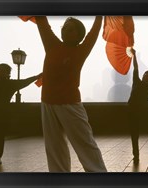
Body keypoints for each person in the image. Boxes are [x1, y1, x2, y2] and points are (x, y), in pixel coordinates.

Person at [35, 16, 107, 172]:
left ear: (79, 35)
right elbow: (42, 22)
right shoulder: (51, 44)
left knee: (85, 144)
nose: (65, 31)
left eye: (70, 29)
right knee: (54, 148)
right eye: (64, 28)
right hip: (47, 103)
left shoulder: (81, 50)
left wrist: (100, 14)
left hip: (70, 104)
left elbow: (94, 32)